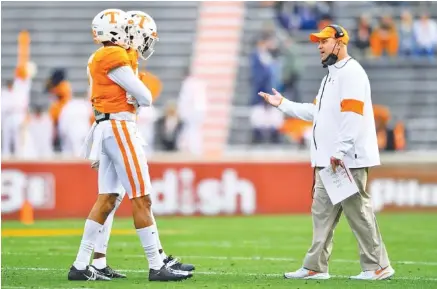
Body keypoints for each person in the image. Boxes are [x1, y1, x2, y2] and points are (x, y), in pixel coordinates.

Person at [258, 24, 395, 281]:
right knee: (321, 215)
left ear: (340, 43)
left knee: (359, 213)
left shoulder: (351, 72)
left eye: (324, 41)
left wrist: (341, 150)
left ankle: (378, 266)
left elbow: (353, 114)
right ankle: (315, 266)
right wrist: (283, 105)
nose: (319, 46)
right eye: (318, 42)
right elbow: (316, 113)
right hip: (329, 161)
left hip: (346, 160)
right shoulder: (331, 76)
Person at [68, 9, 191, 282]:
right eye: (128, 28)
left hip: (109, 126)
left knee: (108, 198)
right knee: (142, 197)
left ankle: (81, 264)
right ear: (116, 32)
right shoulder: (113, 55)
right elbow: (145, 97)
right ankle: (157, 264)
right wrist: (135, 94)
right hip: (119, 127)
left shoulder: (108, 55)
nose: (132, 34)